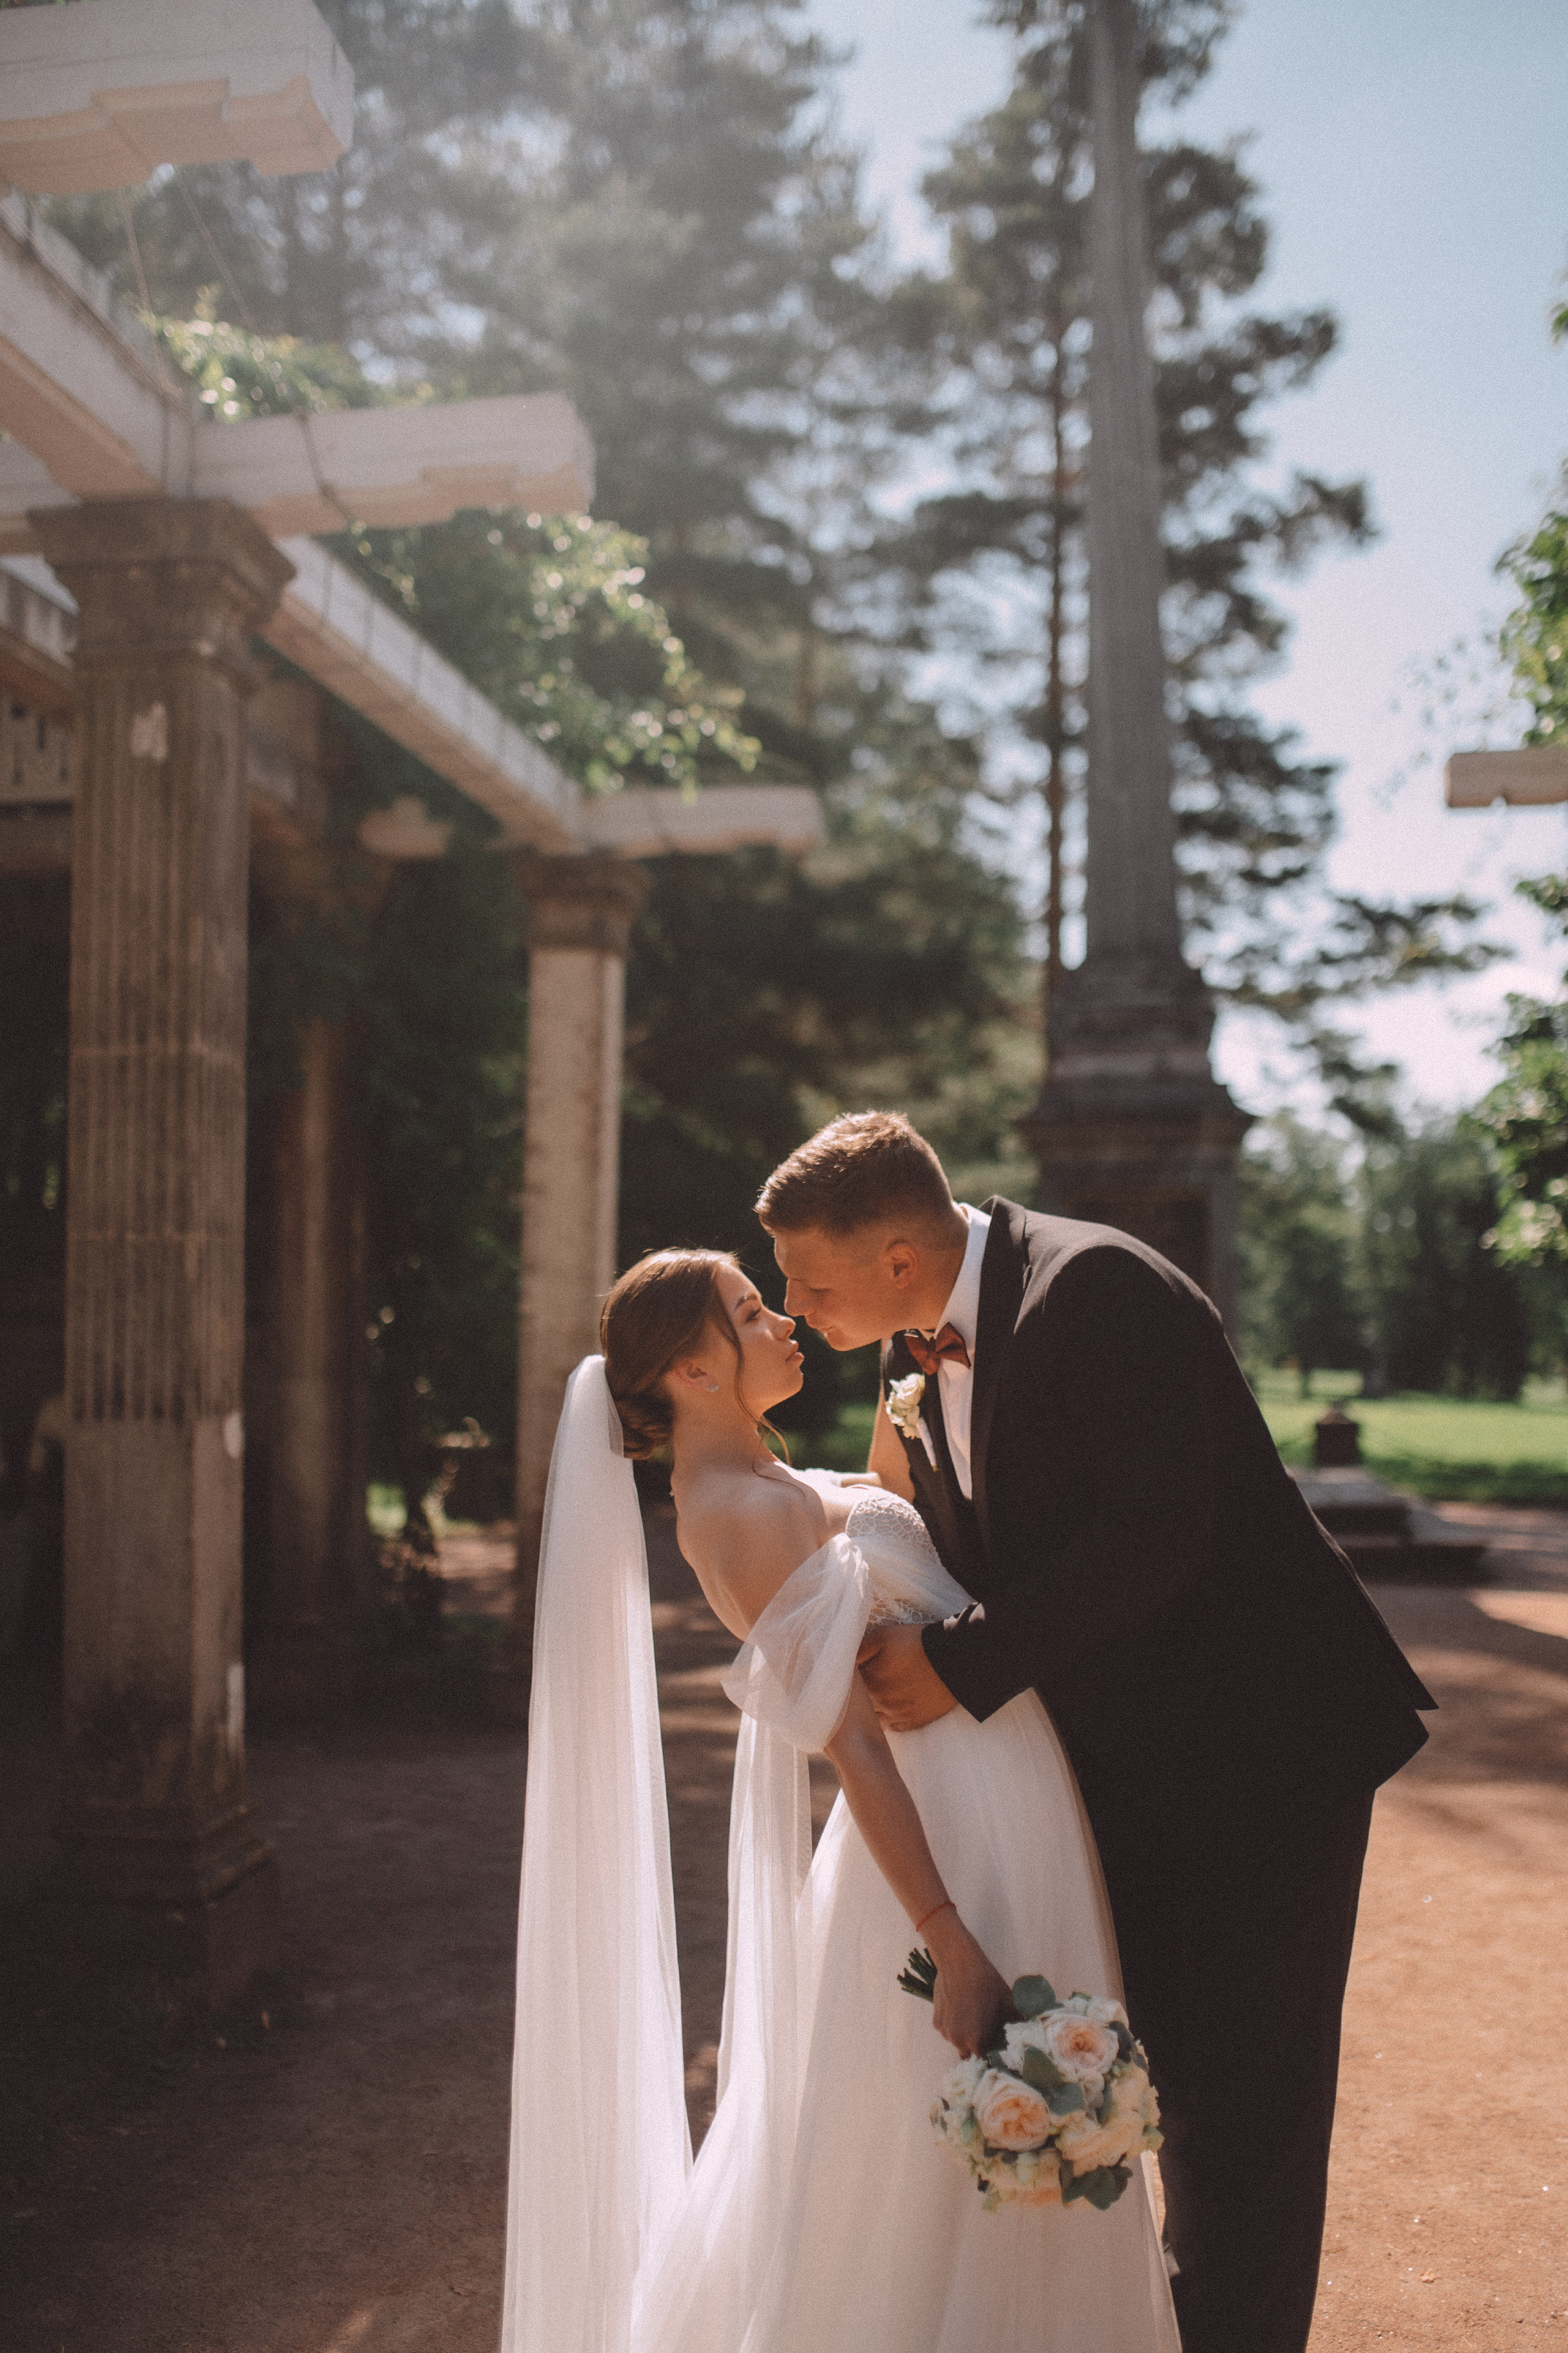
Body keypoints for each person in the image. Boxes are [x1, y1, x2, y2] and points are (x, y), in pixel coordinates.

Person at [756, 1110, 1436, 2353]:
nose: (790, 1304)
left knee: (1240, 2126)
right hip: (1116, 1768)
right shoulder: (909, 1343)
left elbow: (1157, 1533)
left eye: (807, 1279)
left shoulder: (1097, 1288)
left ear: (898, 1256)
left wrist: (955, 1665)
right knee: (1120, 2088)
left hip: (1255, 1763)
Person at [502, 1247, 1180, 2353]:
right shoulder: (732, 1512)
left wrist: (903, 1369)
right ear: (691, 1369)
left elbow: (887, 1509)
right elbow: (855, 1751)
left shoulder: (775, 1486)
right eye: (752, 1312)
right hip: (944, 1837)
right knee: (941, 2150)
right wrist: (947, 1936)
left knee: (997, 2130)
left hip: (1001, 1796)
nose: (785, 1325)